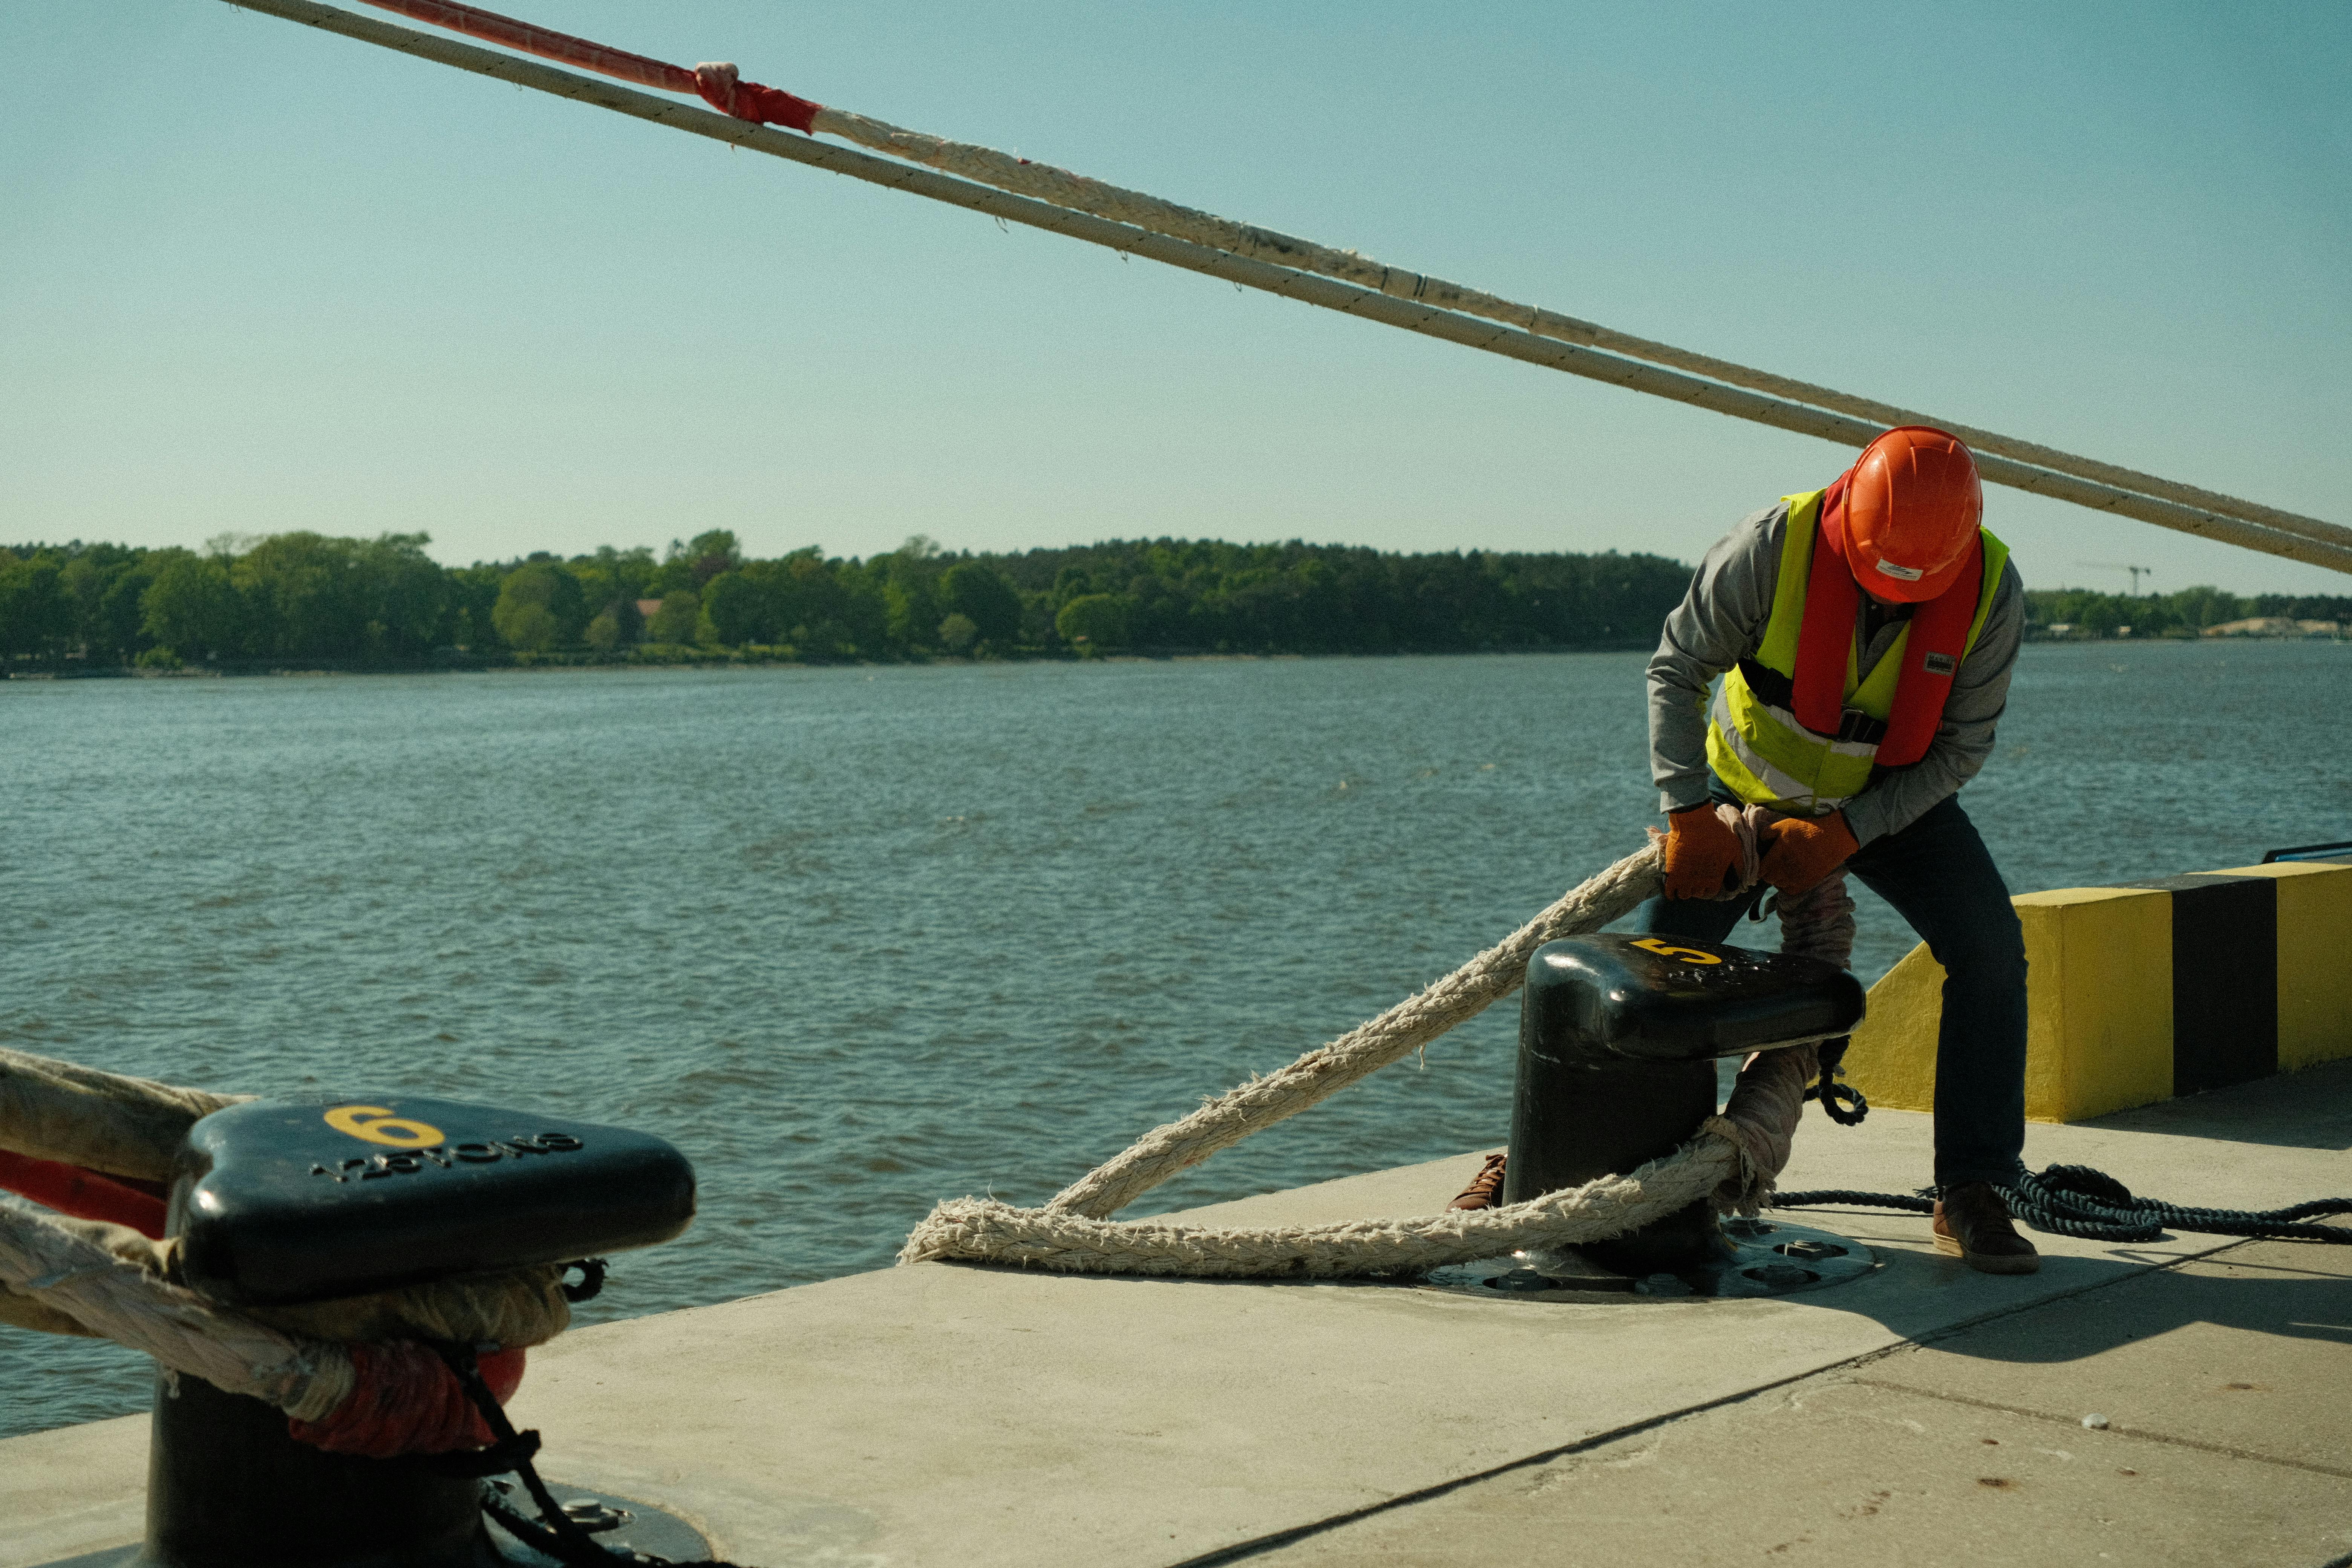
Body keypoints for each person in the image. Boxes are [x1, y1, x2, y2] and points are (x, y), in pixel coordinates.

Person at [1451, 426, 2037, 1276]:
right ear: (1850, 518)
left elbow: (1960, 749)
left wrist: (1845, 833)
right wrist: (1689, 812)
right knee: (1640, 988)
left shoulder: (1991, 592)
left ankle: (1973, 1186)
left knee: (1991, 955)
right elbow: (1677, 668)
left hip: (1887, 804)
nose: (1895, 599)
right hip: (1737, 798)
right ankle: (1535, 1167)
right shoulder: (1771, 546)